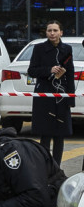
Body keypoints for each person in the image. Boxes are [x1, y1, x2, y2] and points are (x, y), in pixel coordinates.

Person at [27, 20, 74, 166]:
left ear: (61, 32)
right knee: (45, 134)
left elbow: (70, 73)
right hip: (44, 96)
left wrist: (70, 98)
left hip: (61, 96)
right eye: (49, 30)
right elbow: (32, 71)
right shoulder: (39, 48)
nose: (52, 33)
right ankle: (45, 167)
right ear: (46, 32)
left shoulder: (67, 49)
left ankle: (57, 168)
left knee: (60, 135)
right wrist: (49, 70)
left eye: (55, 30)